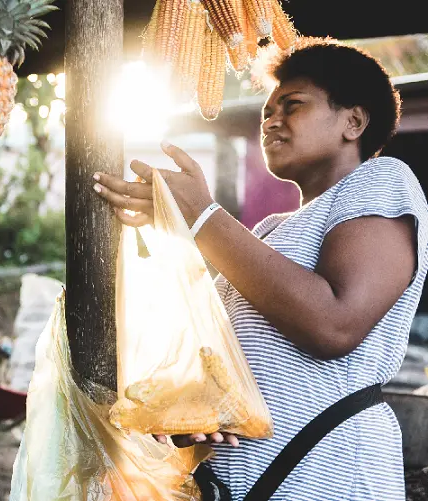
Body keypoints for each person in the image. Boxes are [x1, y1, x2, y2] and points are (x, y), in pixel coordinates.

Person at [92, 37, 428, 501]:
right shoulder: (268, 231)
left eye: (292, 106)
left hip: (332, 478)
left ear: (353, 121)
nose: (271, 121)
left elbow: (334, 324)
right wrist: (199, 417)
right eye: (267, 111)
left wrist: (204, 218)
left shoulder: (382, 180)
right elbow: (228, 365)